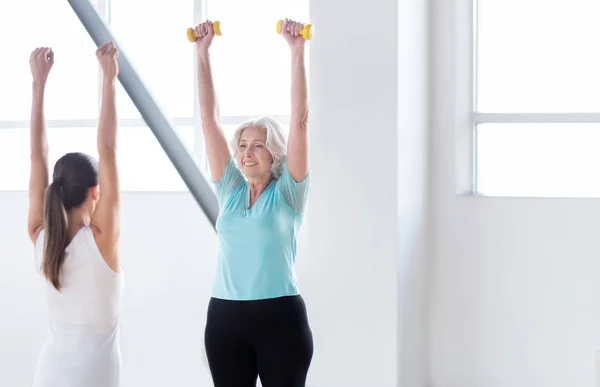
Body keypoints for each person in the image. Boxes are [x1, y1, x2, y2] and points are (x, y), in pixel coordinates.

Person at [193, 18, 313, 387]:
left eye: (257, 145)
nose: (247, 153)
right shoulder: (229, 189)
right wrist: (202, 54)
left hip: (280, 320)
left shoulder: (289, 192)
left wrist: (296, 52)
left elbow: (300, 121)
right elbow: (210, 123)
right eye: (242, 145)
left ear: (273, 151)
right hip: (225, 319)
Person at [28, 42, 123, 387]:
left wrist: (38, 84)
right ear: (95, 193)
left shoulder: (41, 236)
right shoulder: (102, 242)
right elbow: (108, 150)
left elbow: (37, 157)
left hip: (48, 372)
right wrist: (109, 79)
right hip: (94, 378)